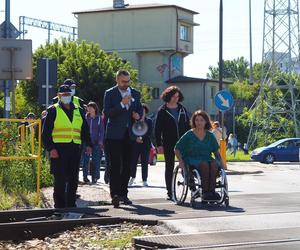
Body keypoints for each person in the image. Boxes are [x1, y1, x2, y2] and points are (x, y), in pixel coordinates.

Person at [42, 84, 92, 208]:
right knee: (59, 178)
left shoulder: (79, 110)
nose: (66, 97)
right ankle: (59, 204)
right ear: (59, 96)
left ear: (71, 95)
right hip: (58, 149)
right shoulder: (53, 110)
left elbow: (85, 129)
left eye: (68, 95)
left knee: (73, 178)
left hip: (75, 148)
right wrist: (51, 148)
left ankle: (71, 203)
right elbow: (46, 132)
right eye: (63, 95)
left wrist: (89, 144)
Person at [103, 69, 143, 208]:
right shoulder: (110, 93)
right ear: (117, 80)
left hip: (130, 134)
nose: (126, 84)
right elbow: (107, 113)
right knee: (115, 165)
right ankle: (114, 194)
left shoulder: (136, 94)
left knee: (127, 165)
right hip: (114, 135)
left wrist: (138, 115)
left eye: (128, 81)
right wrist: (121, 104)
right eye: (123, 81)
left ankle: (123, 194)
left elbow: (140, 109)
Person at [174, 110, 224, 200]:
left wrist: (221, 163)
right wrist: (180, 162)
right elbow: (177, 149)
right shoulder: (189, 134)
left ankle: (211, 191)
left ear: (206, 121)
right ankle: (205, 192)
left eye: (201, 120)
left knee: (213, 165)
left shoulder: (210, 135)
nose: (199, 122)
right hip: (192, 159)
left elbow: (216, 152)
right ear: (194, 121)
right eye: (197, 120)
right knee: (204, 164)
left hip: (207, 158)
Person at [155, 86, 190, 200]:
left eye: (177, 96)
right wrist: (159, 144)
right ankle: (170, 191)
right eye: (173, 96)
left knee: (187, 164)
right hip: (168, 142)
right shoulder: (162, 110)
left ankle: (192, 187)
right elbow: (157, 129)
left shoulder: (182, 109)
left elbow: (188, 125)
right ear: (168, 96)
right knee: (169, 166)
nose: (176, 99)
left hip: (183, 142)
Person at [129, 103, 153, 187]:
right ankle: (132, 177)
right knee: (133, 161)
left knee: (144, 162)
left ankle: (144, 179)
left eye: (143, 111)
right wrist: (136, 138)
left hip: (145, 144)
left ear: (145, 112)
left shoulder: (149, 121)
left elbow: (149, 132)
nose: (141, 113)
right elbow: (130, 132)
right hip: (135, 144)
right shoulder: (133, 121)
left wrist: (141, 138)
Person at [82, 101, 104, 184]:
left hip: (96, 142)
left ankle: (95, 177)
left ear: (95, 109)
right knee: (85, 160)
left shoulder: (99, 118)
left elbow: (102, 131)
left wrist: (100, 141)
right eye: (88, 108)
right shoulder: (85, 117)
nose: (89, 109)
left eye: (91, 108)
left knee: (96, 161)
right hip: (87, 142)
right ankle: (85, 177)